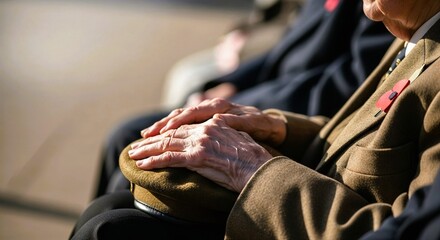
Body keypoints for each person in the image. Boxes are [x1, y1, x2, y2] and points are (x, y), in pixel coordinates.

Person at [71, 0, 440, 238]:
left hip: (296, 217)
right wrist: (275, 127)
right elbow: (355, 134)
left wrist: (252, 168)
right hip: (303, 201)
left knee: (110, 229)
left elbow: (398, 228)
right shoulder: (418, 31)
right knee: (109, 207)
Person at [94, 0, 394, 197]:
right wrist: (230, 85)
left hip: (297, 115)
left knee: (135, 158)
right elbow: (283, 52)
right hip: (272, 96)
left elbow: (343, 86)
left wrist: (240, 108)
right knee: (126, 137)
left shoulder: (383, 9)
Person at [162, 0, 303, 108]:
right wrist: (236, 34)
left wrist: (233, 81)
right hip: (259, 47)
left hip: (270, 56)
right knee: (185, 72)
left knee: (195, 79)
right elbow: (267, 13)